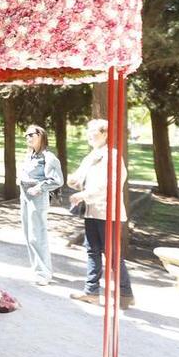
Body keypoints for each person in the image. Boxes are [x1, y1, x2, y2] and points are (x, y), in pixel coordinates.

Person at [67, 118, 134, 308]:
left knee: (111, 254)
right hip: (91, 211)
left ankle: (125, 292)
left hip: (107, 213)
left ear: (105, 134)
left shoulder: (112, 156)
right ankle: (92, 292)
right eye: (88, 131)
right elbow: (80, 179)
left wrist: (83, 194)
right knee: (92, 251)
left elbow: (109, 185)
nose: (89, 134)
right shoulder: (90, 157)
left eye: (94, 131)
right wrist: (73, 181)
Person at [19, 124, 63, 285]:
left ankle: (43, 274)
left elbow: (57, 180)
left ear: (41, 136)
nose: (28, 138)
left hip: (37, 198)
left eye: (31, 134)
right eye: (26, 135)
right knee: (28, 235)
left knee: (37, 235)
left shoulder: (48, 157)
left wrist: (39, 187)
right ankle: (38, 268)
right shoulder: (30, 155)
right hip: (24, 195)